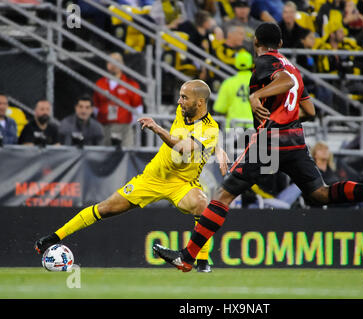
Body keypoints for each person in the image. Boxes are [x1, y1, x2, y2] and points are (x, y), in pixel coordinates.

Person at [152, 23, 363, 273]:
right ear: (281, 43)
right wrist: (286, 116)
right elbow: (309, 110)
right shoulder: (294, 68)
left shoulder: (267, 61)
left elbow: (285, 81)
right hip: (295, 140)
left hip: (270, 140)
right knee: (319, 194)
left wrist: (256, 97)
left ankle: (187, 258)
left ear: (256, 43)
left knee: (222, 196)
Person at [35, 80, 229, 273]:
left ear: (200, 102)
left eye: (184, 97)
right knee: (105, 209)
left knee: (201, 203)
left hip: (182, 184)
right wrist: (218, 150)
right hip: (152, 178)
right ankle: (55, 237)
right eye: (180, 96)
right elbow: (201, 138)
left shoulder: (210, 128)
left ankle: (202, 261)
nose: (179, 101)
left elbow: (184, 147)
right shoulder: (185, 112)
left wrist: (157, 128)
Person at [93, 52, 143, 147]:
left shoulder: (131, 85)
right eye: (111, 61)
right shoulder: (100, 83)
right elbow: (96, 108)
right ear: (107, 64)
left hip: (124, 127)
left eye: (117, 61)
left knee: (125, 156)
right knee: (103, 156)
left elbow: (138, 109)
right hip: (104, 127)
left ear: (122, 64)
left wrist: (127, 124)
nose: (114, 64)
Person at [213, 50, 254, 129]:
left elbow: (219, 108)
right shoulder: (259, 82)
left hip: (233, 127)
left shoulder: (228, 83)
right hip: (254, 127)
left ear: (236, 64)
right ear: (252, 64)